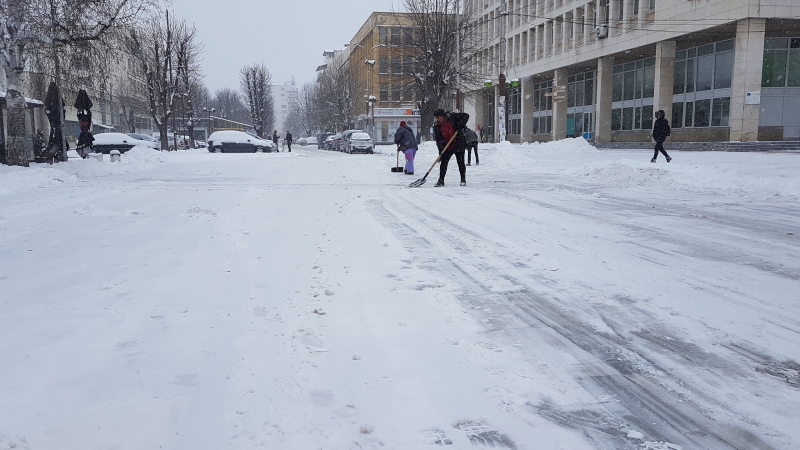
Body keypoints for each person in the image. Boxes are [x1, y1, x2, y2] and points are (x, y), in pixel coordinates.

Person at [432, 108, 469, 187]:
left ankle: (463, 179)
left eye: (438, 117)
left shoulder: (452, 117)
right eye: (436, 118)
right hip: (447, 146)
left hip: (458, 143)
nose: (437, 119)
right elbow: (438, 140)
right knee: (443, 164)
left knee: (461, 162)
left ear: (443, 116)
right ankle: (441, 180)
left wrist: (460, 125)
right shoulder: (436, 126)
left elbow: (466, 116)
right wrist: (440, 152)